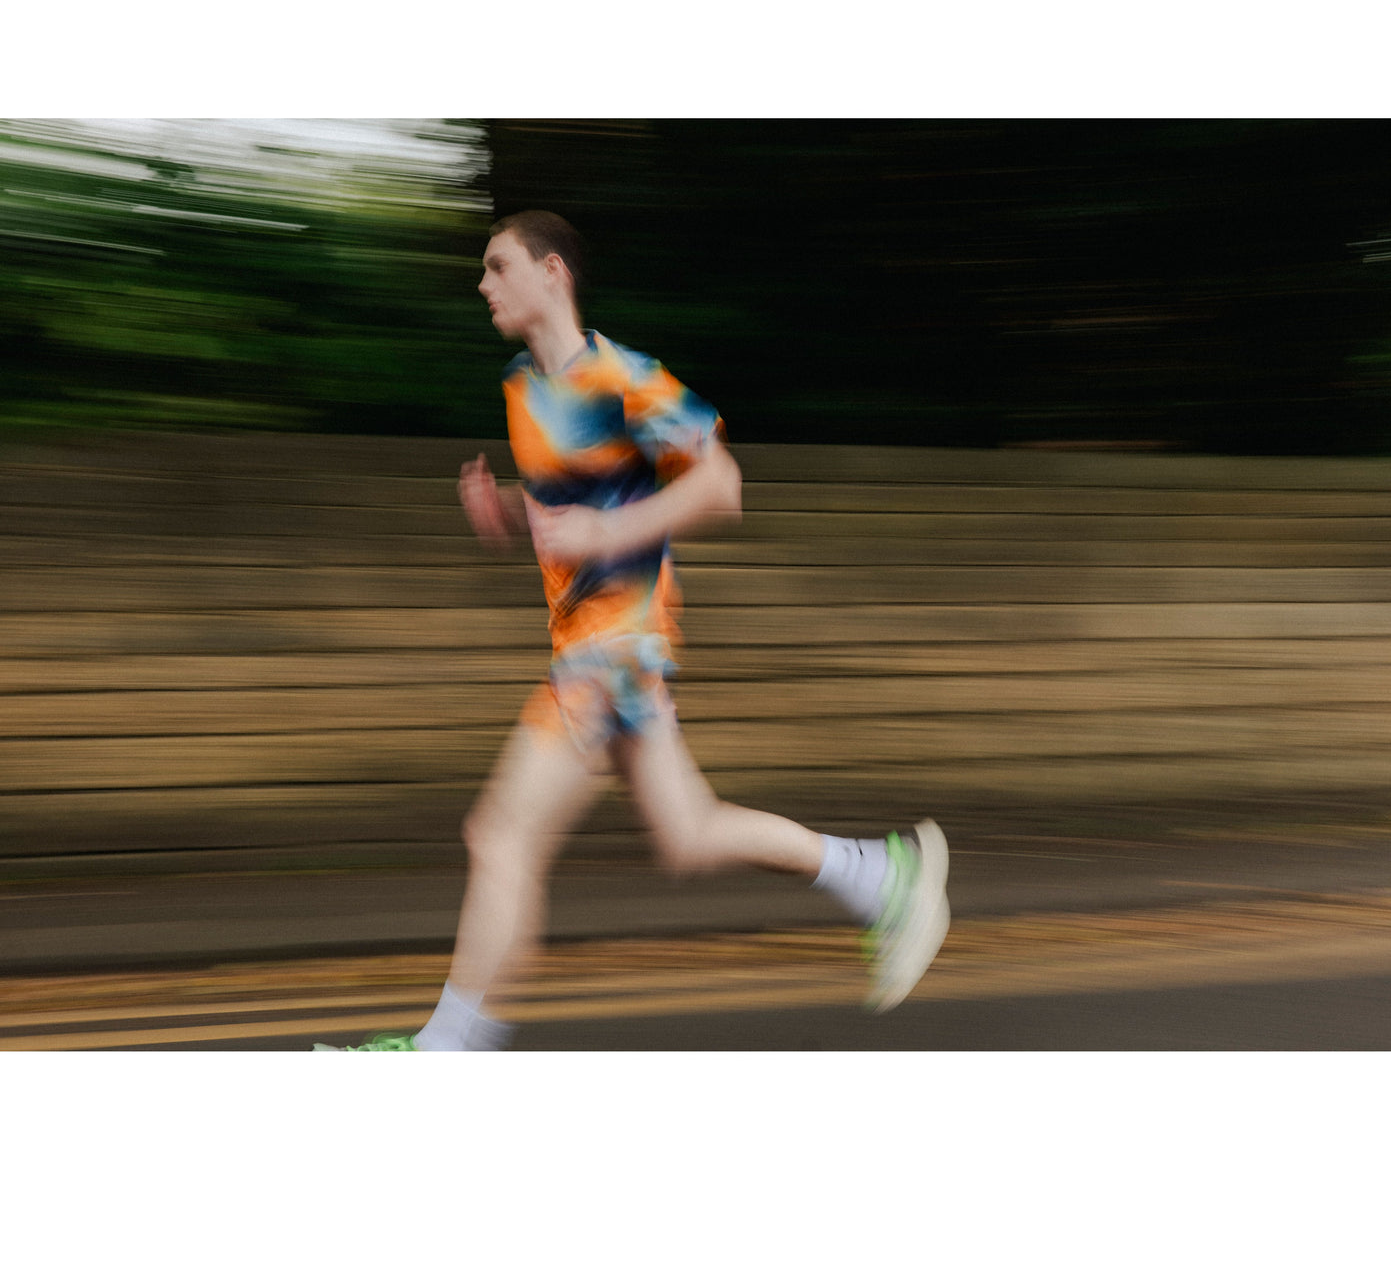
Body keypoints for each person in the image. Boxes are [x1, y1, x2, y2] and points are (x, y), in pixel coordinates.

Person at [316, 211, 949, 1051]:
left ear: (552, 273)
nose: (482, 283)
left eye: (498, 266)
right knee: (689, 837)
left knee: (500, 834)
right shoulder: (524, 386)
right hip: (593, 643)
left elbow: (721, 485)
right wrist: (507, 511)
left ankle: (444, 1052)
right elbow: (577, 498)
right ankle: (877, 875)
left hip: (615, 645)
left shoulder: (624, 377)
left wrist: (607, 533)